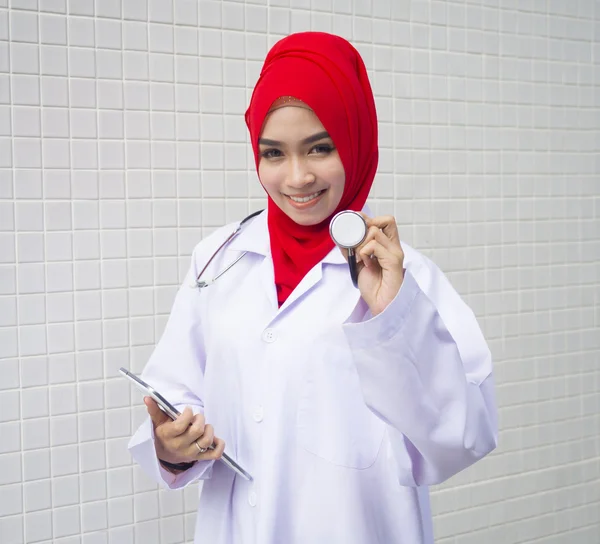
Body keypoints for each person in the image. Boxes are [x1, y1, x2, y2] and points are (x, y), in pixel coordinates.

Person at [128, 32, 497, 543]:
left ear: (356, 138)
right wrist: (170, 445)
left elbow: (464, 437)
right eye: (274, 153)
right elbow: (175, 392)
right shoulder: (219, 259)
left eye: (319, 148)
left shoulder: (407, 276)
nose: (297, 177)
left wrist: (394, 316)